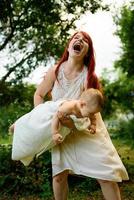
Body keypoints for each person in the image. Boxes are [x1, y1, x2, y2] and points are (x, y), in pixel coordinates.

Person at [34, 31, 129, 200]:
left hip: (88, 129)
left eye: (85, 41)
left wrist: (74, 124)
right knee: (59, 177)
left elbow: (90, 112)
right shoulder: (55, 71)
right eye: (76, 38)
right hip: (61, 127)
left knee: (106, 176)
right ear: (69, 45)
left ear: (87, 52)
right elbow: (39, 95)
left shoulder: (89, 76)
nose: (80, 40)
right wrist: (41, 117)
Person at [10, 88, 103, 166]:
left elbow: (93, 117)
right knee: (36, 127)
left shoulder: (88, 110)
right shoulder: (69, 106)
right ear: (82, 104)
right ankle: (19, 125)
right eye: (90, 113)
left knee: (42, 140)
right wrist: (55, 133)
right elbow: (56, 117)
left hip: (62, 123)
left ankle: (25, 147)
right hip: (51, 116)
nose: (92, 115)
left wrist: (93, 125)